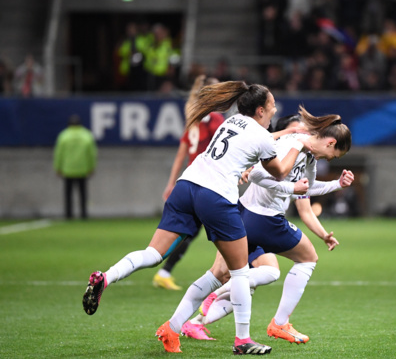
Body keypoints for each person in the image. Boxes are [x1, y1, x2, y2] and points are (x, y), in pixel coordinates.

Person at [82, 81, 310, 356]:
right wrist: (297, 141)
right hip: (215, 196)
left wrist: (286, 131)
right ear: (261, 109)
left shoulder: (232, 121)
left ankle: (106, 278)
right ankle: (243, 340)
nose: (275, 110)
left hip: (187, 185)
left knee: (153, 253)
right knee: (237, 272)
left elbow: (259, 140)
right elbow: (281, 172)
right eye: (272, 105)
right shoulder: (262, 136)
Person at [159, 106, 353, 348]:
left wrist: (336, 184)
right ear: (331, 142)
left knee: (218, 275)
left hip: (243, 213)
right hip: (264, 219)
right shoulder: (291, 145)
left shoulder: (308, 154)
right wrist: (290, 189)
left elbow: (306, 189)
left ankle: (174, 326)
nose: (330, 159)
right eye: (334, 154)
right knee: (307, 258)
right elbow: (259, 175)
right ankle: (279, 323)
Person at [152, 75, 224, 291]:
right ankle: (231, 275)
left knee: (191, 231)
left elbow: (181, 154)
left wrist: (171, 183)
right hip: (209, 182)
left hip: (191, 179)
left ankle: (164, 271)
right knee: (229, 229)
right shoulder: (215, 119)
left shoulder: (194, 118)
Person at [53, 114, 97, 219]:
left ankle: (68, 215)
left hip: (68, 169)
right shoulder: (87, 135)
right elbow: (92, 153)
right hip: (82, 169)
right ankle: (84, 214)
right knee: (83, 194)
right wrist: (92, 167)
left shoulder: (64, 136)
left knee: (68, 194)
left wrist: (57, 167)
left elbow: (58, 153)